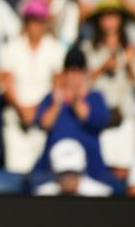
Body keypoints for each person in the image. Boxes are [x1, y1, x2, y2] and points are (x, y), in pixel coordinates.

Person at [0, 0, 65, 177]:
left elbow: (57, 85)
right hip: (16, 121)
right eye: (32, 21)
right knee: (16, 173)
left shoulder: (55, 48)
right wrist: (21, 109)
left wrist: (38, 110)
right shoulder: (11, 48)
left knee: (42, 175)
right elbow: (6, 83)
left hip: (43, 122)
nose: (36, 26)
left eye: (40, 21)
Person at [80, 0, 135, 178]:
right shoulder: (88, 49)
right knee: (99, 168)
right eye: (105, 16)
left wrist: (129, 65)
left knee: (123, 169)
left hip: (124, 114)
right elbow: (81, 83)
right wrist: (102, 68)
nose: (109, 21)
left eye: (113, 16)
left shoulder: (130, 49)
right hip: (99, 116)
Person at [32, 48, 112, 188]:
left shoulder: (95, 98)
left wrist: (77, 99)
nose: (73, 77)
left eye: (78, 72)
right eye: (70, 71)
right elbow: (44, 123)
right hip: (54, 170)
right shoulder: (52, 98)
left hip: (90, 170)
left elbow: (94, 119)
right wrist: (57, 104)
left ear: (85, 73)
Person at [33, 138, 112, 197]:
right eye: (64, 175)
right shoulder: (41, 194)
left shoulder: (101, 194)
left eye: (73, 174)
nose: (68, 180)